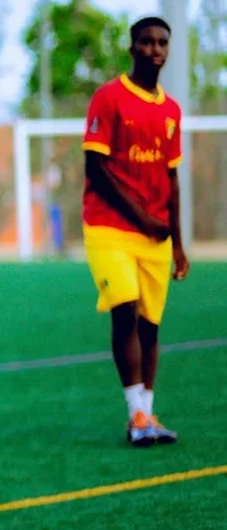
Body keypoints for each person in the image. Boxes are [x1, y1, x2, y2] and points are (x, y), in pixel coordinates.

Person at [80, 16, 188, 447]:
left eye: (162, 42)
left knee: (150, 326)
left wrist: (179, 243)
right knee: (124, 311)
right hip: (109, 228)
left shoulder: (171, 111)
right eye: (146, 41)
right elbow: (96, 168)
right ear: (132, 47)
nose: (155, 49)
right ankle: (136, 415)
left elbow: (172, 179)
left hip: (157, 237)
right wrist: (142, 217)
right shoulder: (109, 97)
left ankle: (147, 414)